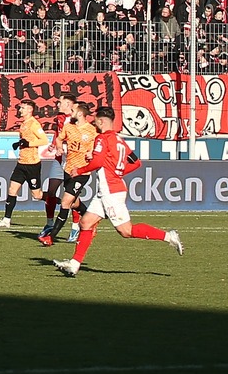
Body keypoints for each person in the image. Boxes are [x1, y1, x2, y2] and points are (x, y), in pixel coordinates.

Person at [53, 109, 183, 277]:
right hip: (107, 191)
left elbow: (98, 161)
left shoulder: (102, 138)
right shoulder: (119, 140)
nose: (94, 124)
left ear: (101, 122)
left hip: (111, 192)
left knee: (125, 231)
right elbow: (136, 163)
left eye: (95, 121)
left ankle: (168, 236)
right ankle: (74, 264)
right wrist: (119, 171)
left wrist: (80, 170)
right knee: (86, 223)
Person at [39, 95, 96, 247]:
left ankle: (51, 237)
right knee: (74, 202)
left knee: (65, 202)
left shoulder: (91, 130)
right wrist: (57, 146)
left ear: (79, 113)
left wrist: (92, 153)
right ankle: (91, 221)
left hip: (82, 171)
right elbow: (59, 138)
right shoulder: (68, 126)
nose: (71, 111)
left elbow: (98, 146)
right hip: (67, 168)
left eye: (73, 109)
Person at [0, 99, 51, 229]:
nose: (20, 110)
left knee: (37, 195)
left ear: (30, 110)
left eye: (23, 108)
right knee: (12, 190)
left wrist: (28, 144)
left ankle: (63, 202)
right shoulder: (24, 124)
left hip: (32, 164)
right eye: (20, 108)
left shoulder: (34, 124)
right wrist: (20, 143)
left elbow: (44, 140)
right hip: (21, 163)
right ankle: (6, 220)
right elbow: (27, 140)